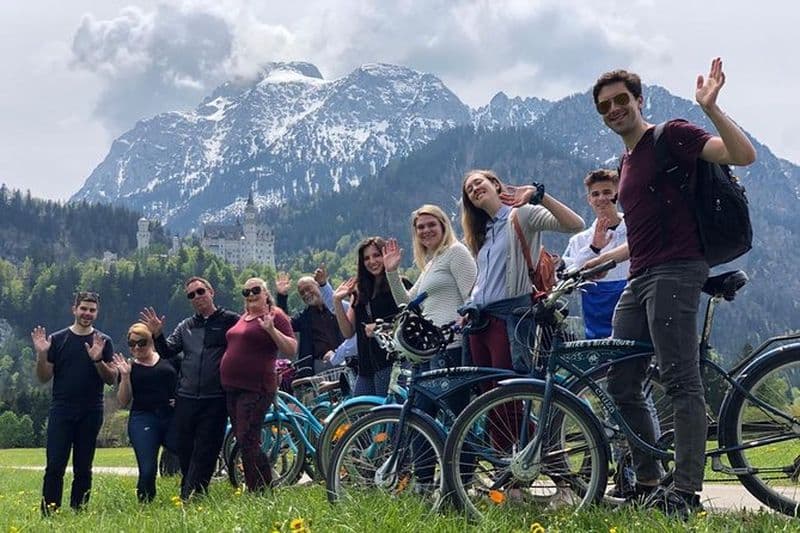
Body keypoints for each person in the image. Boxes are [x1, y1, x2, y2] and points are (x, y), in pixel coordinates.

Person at [585, 58, 756, 516]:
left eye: (621, 99)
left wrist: (711, 108)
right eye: (605, 106)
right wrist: (602, 260)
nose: (614, 109)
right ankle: (647, 481)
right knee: (621, 381)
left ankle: (684, 493)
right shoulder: (625, 162)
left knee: (680, 379)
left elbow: (743, 155)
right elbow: (644, 229)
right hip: (639, 276)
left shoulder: (671, 135)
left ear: (639, 100)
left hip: (676, 270)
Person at [460, 169, 584, 376]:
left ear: (495, 184)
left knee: (509, 387)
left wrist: (539, 196)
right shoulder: (482, 232)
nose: (474, 189)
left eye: (478, 182)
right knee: (484, 390)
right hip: (479, 322)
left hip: (508, 318)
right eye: (469, 190)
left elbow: (575, 224)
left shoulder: (521, 214)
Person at [139, 277, 239, 501]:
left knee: (206, 448)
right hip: (186, 397)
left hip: (215, 397)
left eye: (200, 291)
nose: (196, 297)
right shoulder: (185, 326)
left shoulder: (231, 320)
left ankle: (192, 494)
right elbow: (167, 351)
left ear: (211, 292)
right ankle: (191, 490)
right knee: (184, 447)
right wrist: (157, 334)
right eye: (191, 295)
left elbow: (246, 343)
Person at [31, 291, 116, 514]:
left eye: (92, 310)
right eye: (83, 309)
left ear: (97, 313)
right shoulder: (58, 339)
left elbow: (111, 379)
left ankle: (79, 511)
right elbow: (43, 377)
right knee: (55, 465)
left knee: (84, 466)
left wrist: (97, 359)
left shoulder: (103, 341)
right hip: (61, 409)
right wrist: (42, 355)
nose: (87, 313)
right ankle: (50, 512)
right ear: (74, 309)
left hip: (92, 410)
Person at [220, 277, 296, 492]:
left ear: (266, 293)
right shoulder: (243, 317)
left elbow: (291, 348)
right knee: (244, 438)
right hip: (232, 387)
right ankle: (259, 487)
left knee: (247, 437)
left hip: (256, 387)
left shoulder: (275, 315)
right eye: (246, 292)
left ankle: (260, 489)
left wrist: (271, 330)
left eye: (255, 290)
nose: (251, 294)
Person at [383, 204, 477, 371]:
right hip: (429, 348)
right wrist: (391, 272)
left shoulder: (456, 252)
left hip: (452, 345)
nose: (426, 230)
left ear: (443, 226)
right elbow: (407, 304)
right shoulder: (431, 264)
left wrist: (463, 321)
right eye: (420, 227)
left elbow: (472, 297)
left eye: (431, 224)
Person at [333, 237, 410, 396]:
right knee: (359, 408)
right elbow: (348, 332)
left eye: (376, 255)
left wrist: (382, 327)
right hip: (366, 367)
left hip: (392, 363)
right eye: (366, 258)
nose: (372, 261)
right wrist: (337, 302)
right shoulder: (359, 292)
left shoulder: (399, 284)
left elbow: (410, 321)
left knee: (388, 409)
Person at [112, 323, 178, 503]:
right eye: (131, 344)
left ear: (151, 341)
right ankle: (145, 503)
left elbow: (186, 379)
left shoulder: (169, 359)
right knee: (148, 469)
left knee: (187, 454)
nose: (136, 348)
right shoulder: (128, 367)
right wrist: (125, 377)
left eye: (141, 343)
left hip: (171, 416)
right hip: (143, 418)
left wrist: (180, 399)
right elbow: (123, 401)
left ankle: (191, 495)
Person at [562, 169, 629, 340]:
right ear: (589, 200)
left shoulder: (635, 232)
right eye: (595, 194)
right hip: (596, 324)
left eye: (607, 192)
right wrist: (593, 248)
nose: (601, 198)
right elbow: (567, 278)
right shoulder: (578, 241)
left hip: (632, 317)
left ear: (617, 194)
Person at [275, 264, 346, 375]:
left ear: (317, 286)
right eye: (302, 293)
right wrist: (282, 296)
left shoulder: (336, 308)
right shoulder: (304, 317)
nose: (306, 294)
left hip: (345, 360)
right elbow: (285, 324)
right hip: (318, 369)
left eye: (308, 289)